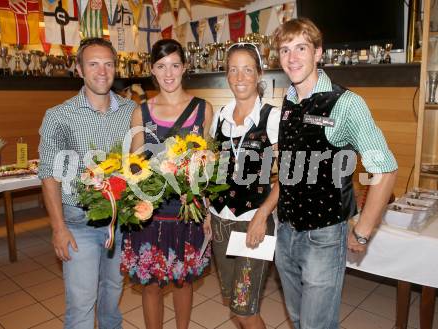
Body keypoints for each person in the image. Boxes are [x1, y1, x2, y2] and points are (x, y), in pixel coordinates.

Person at [246, 18, 398, 329]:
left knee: (317, 324)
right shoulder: (287, 100)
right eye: (285, 50)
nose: (292, 58)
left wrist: (363, 229)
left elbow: (385, 169)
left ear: (318, 53)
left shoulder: (346, 104)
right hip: (286, 231)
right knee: (301, 319)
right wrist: (265, 213)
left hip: (324, 236)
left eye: (301, 48)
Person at [38, 38, 137, 329]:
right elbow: (48, 174)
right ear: (79, 69)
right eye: (93, 64)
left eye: (108, 64)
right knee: (81, 305)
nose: (102, 71)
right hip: (78, 224)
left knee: (111, 299)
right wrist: (58, 228)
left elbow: (142, 165)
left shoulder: (132, 111)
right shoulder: (59, 116)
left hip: (121, 223)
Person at [120, 39, 213, 329]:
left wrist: (207, 209)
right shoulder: (141, 112)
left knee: (183, 281)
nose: (169, 73)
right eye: (161, 66)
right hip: (150, 212)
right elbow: (133, 164)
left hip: (187, 213)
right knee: (150, 283)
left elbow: (209, 166)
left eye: (175, 65)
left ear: (185, 67)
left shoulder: (203, 109)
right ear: (152, 70)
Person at [206, 42, 280, 329]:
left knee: (245, 307)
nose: (240, 77)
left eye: (247, 69)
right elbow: (212, 173)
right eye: (233, 70)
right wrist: (206, 213)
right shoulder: (220, 118)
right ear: (226, 75)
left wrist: (262, 216)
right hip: (220, 221)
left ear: (259, 74)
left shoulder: (272, 117)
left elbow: (288, 174)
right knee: (235, 305)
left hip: (253, 222)